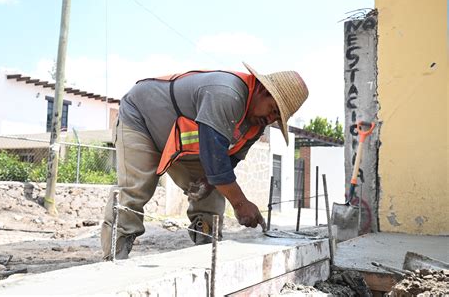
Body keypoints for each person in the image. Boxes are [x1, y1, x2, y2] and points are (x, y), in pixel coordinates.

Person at [101, 62, 308, 260]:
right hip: (141, 119)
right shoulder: (227, 93)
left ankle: (206, 246)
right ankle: (115, 254)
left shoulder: (256, 125)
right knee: (137, 189)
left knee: (212, 190)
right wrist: (240, 203)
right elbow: (215, 161)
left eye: (277, 117)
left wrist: (208, 183)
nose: (270, 118)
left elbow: (228, 160)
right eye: (272, 109)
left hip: (178, 140)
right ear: (262, 91)